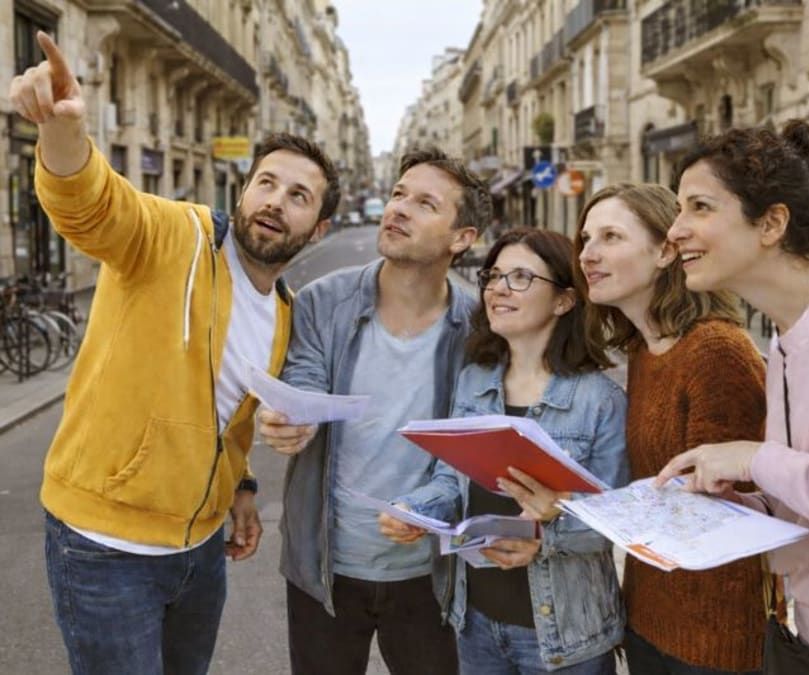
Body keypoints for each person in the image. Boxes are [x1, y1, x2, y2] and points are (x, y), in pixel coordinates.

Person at [8, 31, 338, 675]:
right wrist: (63, 132)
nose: (276, 201)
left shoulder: (284, 313)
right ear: (243, 194)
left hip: (200, 551)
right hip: (104, 547)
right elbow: (93, 208)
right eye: (266, 183)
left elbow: (231, 415)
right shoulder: (173, 236)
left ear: (317, 228)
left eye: (299, 196)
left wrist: (240, 484)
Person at [657, 120, 809, 666]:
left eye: (699, 207)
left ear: (771, 223)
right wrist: (740, 504)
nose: (674, 230)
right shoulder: (787, 329)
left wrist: (758, 460)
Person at [258, 147, 492, 674]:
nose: (398, 209)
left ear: (462, 238)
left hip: (431, 575)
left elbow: (475, 440)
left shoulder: (480, 327)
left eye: (424, 203)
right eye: (397, 194)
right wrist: (292, 418)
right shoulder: (322, 301)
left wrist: (431, 506)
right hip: (325, 570)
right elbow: (304, 380)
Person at [378, 227, 629, 674]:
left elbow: (617, 522)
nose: (498, 288)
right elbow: (448, 478)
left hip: (565, 636)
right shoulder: (475, 380)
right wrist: (413, 510)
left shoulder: (599, 400)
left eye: (520, 278)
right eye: (494, 276)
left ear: (564, 301)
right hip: (476, 623)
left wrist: (544, 539)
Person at [574, 182, 768, 674]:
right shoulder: (644, 351)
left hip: (715, 636)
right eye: (585, 239)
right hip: (649, 618)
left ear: (665, 250)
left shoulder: (716, 353)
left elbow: (732, 515)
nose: (588, 255)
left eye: (610, 237)